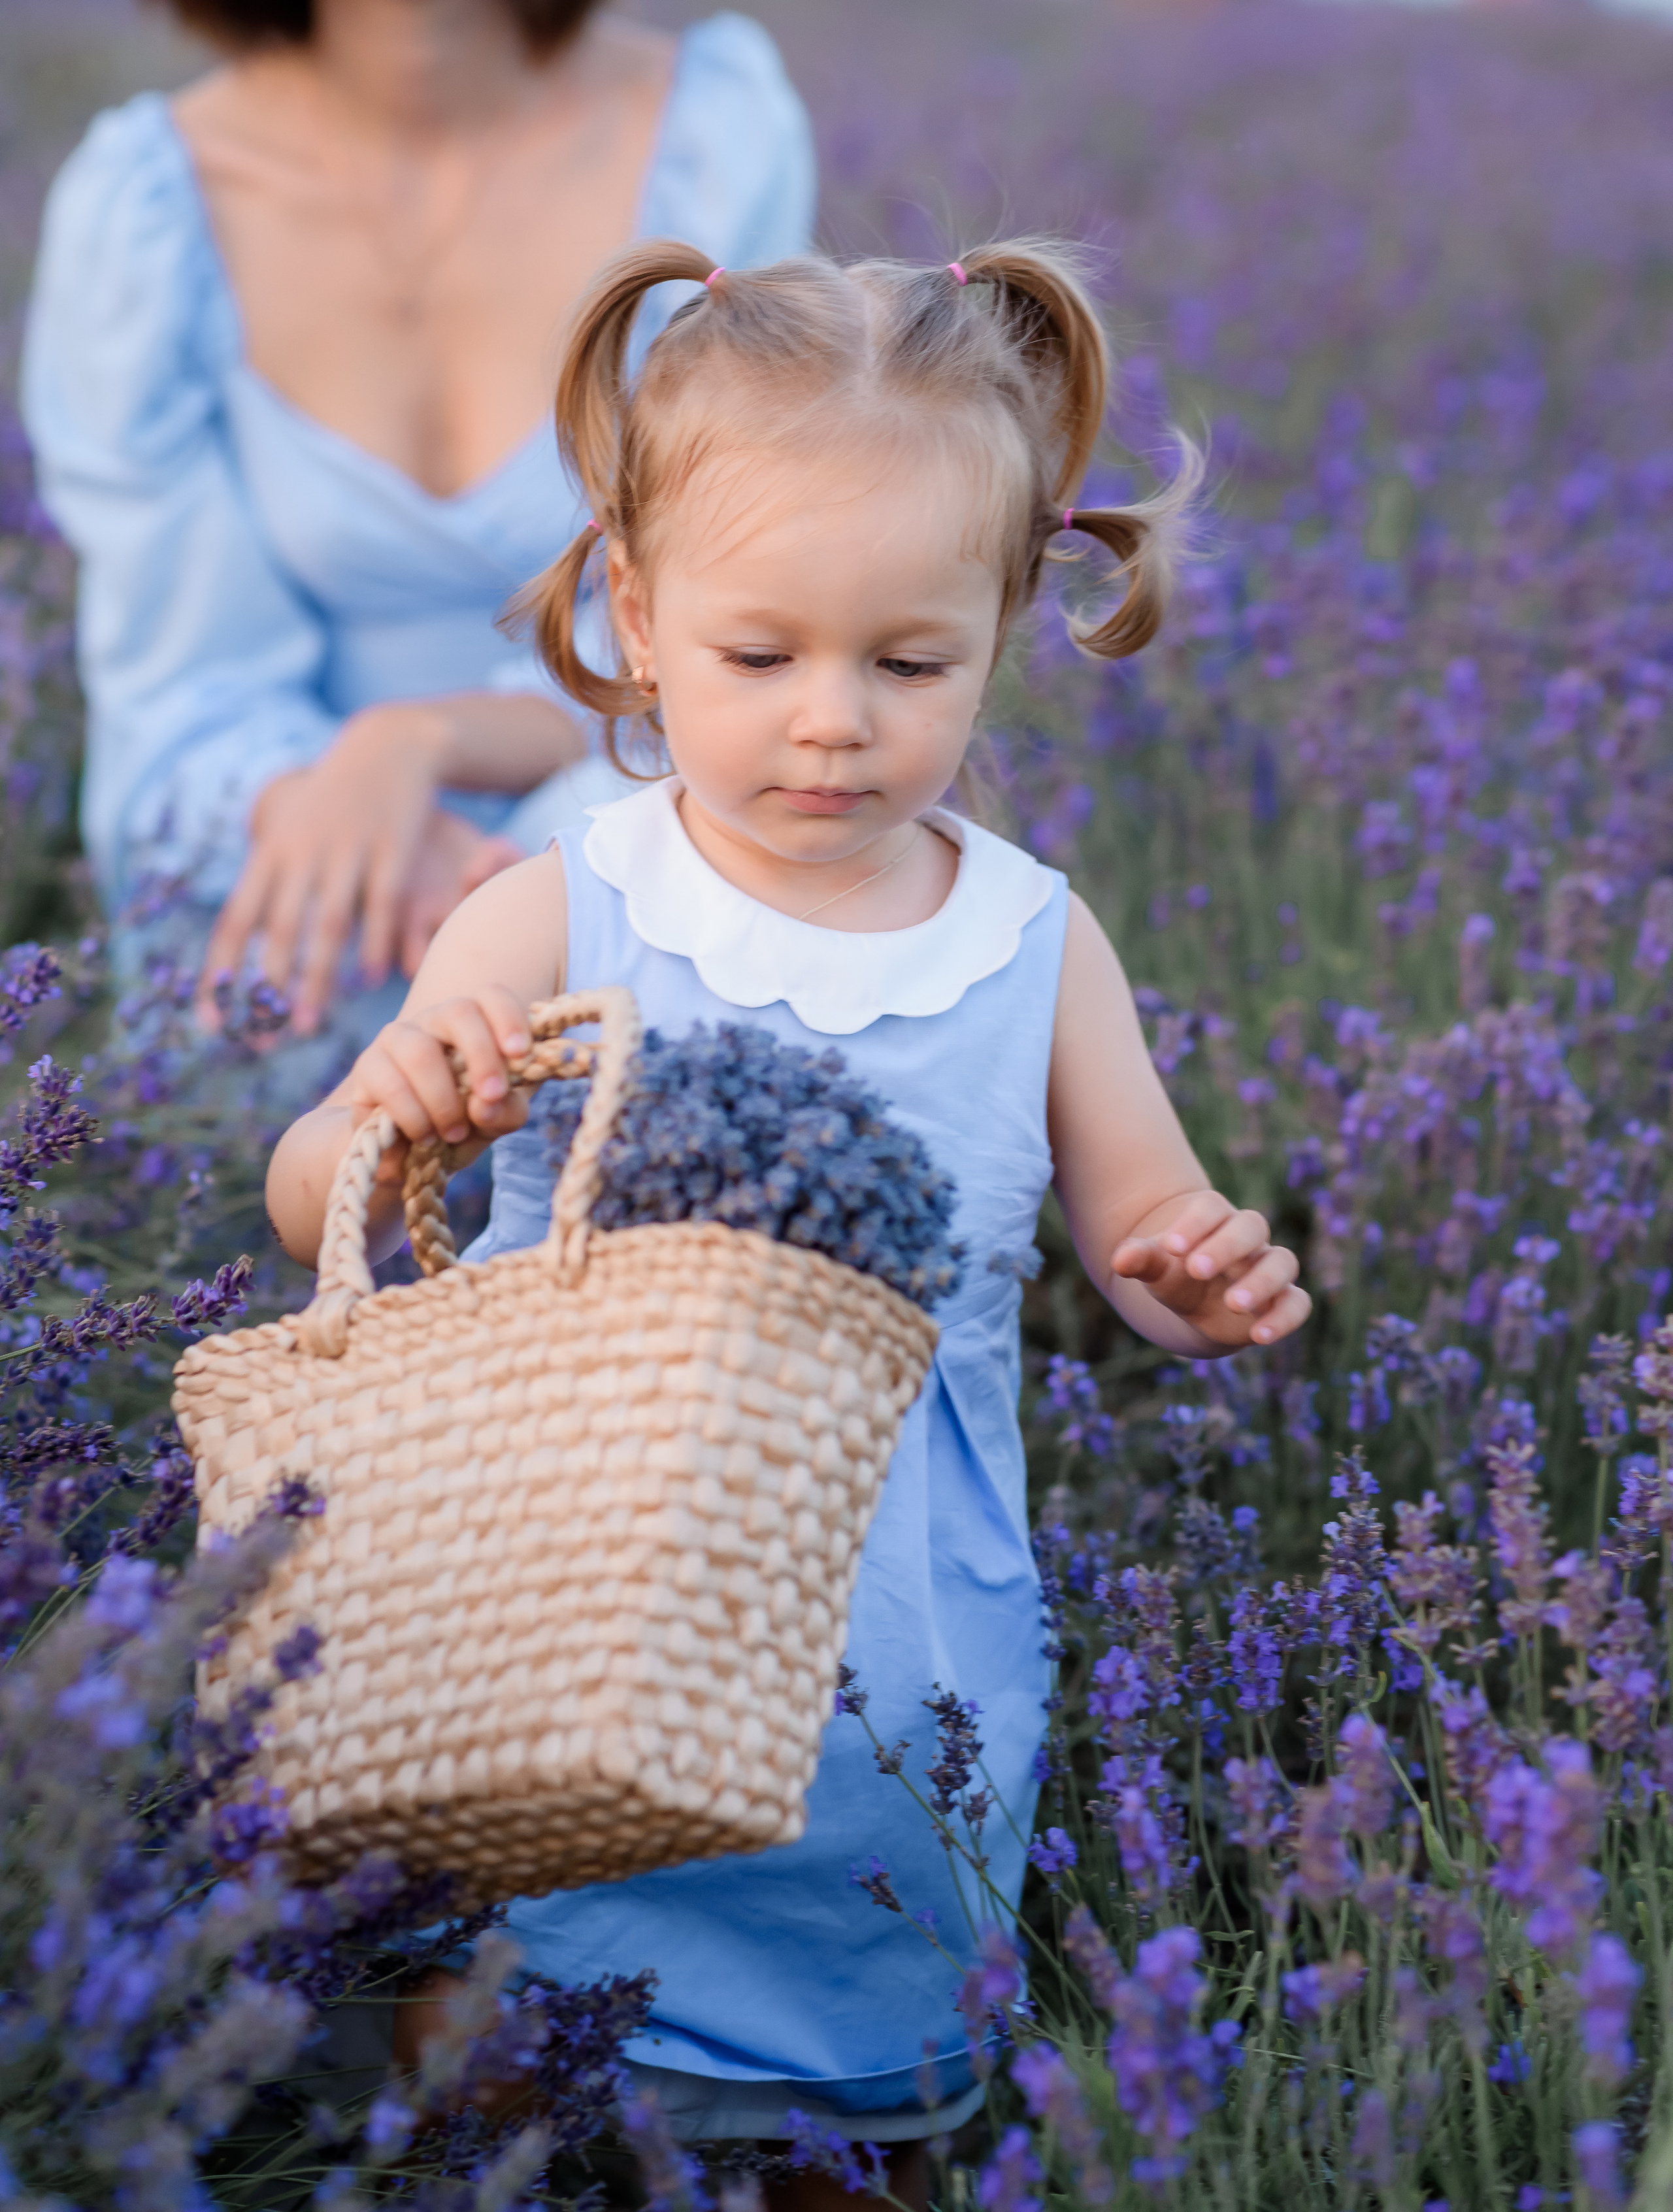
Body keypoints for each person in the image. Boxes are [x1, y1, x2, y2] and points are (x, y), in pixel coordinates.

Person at [266, 238, 1311, 2198]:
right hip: (557, 1602)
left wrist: (1194, 1269)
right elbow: (314, 1189)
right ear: (641, 622)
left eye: (908, 663)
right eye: (765, 657)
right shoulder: (561, 904)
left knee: (859, 2019)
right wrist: (397, 1117)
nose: (833, 720)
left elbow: (1140, 1216)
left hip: (891, 1639)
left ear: (1002, 627)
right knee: (518, 1998)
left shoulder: (1030, 938)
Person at [21, 0, 813, 1049]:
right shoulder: (146, 212)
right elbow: (181, 687)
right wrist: (370, 814)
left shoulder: (714, 136)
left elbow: (747, 615)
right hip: (292, 853)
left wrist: (421, 747)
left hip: (633, 804)